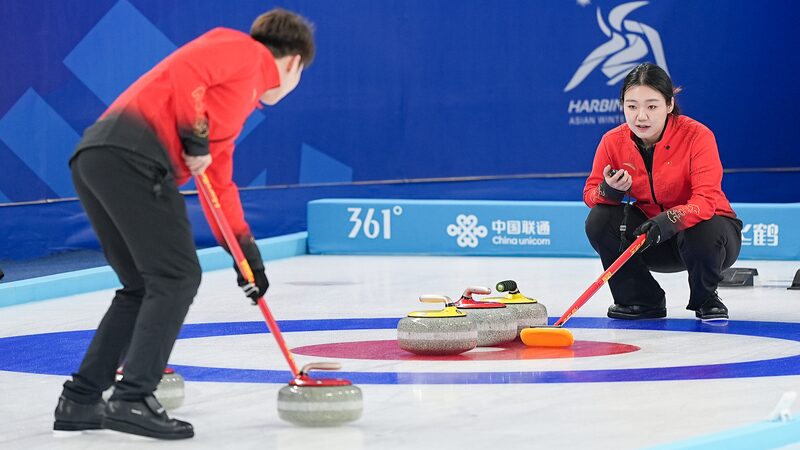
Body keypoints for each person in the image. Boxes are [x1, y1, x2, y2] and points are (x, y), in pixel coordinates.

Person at [52, 9, 314, 440]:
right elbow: (187, 70)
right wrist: (193, 136)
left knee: (140, 285)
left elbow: (218, 183)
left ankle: (80, 399)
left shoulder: (233, 105)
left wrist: (245, 254)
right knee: (177, 276)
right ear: (293, 63)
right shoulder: (244, 51)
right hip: (134, 157)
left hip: (101, 159)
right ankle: (133, 398)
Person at [583, 63, 742, 322]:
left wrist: (667, 221)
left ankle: (706, 297)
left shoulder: (697, 136)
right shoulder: (612, 141)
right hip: (650, 237)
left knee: (703, 225)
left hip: (709, 239)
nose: (640, 116)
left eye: (651, 106)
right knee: (600, 219)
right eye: (631, 106)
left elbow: (706, 201)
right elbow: (590, 194)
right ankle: (640, 299)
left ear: (669, 105)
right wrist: (609, 191)